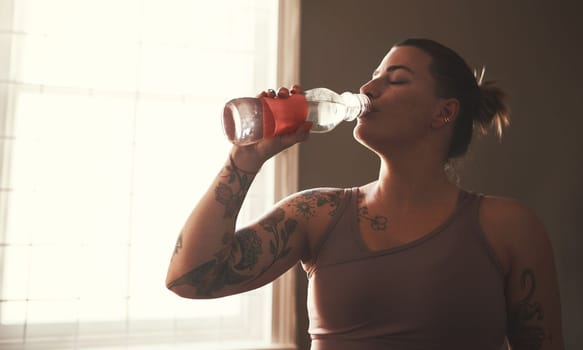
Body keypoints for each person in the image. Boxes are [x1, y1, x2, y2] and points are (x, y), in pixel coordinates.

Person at [165, 38, 564, 350]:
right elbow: (191, 278)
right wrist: (245, 159)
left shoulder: (508, 227)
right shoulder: (317, 213)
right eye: (375, 75)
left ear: (443, 112)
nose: (368, 87)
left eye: (397, 79)